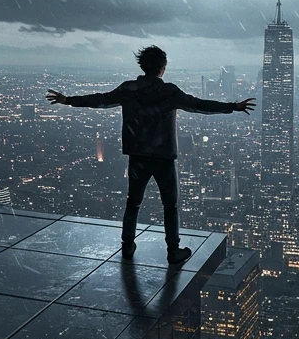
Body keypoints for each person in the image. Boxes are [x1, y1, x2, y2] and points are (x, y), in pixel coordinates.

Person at [46, 46, 255, 264]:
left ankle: (127, 246)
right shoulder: (169, 92)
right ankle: (173, 250)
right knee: (170, 205)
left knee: (133, 203)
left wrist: (67, 100)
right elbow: (198, 105)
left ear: (142, 66)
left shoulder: (129, 89)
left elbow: (100, 100)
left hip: (137, 156)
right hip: (163, 157)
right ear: (162, 68)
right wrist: (233, 107)